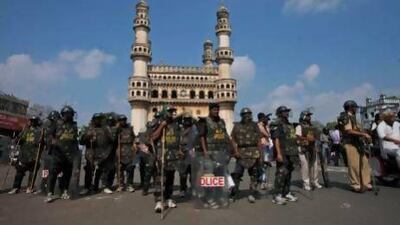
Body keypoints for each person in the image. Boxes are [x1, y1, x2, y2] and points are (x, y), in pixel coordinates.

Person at [196, 103, 232, 209]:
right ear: (210, 110)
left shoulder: (221, 122)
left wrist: (231, 149)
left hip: (221, 153)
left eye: (217, 109)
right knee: (209, 177)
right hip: (210, 153)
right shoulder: (205, 121)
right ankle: (209, 198)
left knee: (220, 177)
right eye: (214, 110)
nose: (216, 111)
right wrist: (205, 151)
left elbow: (226, 136)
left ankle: (218, 196)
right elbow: (202, 137)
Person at [46, 106, 80, 203]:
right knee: (53, 173)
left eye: (71, 114)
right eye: (67, 114)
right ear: (63, 114)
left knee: (67, 174)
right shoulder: (56, 123)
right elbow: (49, 134)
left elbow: (74, 139)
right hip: (57, 154)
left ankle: (65, 191)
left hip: (69, 155)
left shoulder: (74, 125)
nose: (69, 116)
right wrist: (51, 141)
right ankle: (50, 193)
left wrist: (76, 151)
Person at [151, 106, 181, 213]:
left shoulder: (176, 124)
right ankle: (159, 201)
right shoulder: (158, 123)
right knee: (160, 179)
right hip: (162, 154)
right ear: (165, 112)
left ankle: (168, 198)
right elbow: (152, 137)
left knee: (170, 178)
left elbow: (178, 139)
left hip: (173, 156)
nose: (172, 113)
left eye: (173, 111)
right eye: (170, 111)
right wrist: (161, 127)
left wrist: (180, 151)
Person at [337, 100, 372, 193]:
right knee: (354, 165)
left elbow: (357, 130)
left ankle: (366, 183)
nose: (356, 109)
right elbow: (349, 131)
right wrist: (364, 135)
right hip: (349, 143)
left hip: (357, 143)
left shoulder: (353, 117)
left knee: (365, 163)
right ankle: (355, 185)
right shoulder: (345, 117)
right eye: (355, 107)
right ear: (350, 107)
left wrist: (364, 135)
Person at [230, 107, 262, 203]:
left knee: (254, 174)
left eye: (249, 114)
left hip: (253, 151)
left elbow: (259, 140)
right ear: (242, 116)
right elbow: (232, 138)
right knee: (237, 174)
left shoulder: (254, 125)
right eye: (245, 114)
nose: (247, 116)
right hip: (241, 152)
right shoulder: (237, 126)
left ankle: (251, 193)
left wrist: (260, 153)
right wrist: (235, 150)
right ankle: (234, 193)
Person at [80, 113, 115, 195]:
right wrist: (87, 137)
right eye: (96, 119)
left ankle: (104, 186)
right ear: (93, 120)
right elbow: (81, 141)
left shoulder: (106, 129)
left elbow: (112, 140)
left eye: (99, 119)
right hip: (91, 154)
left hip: (103, 154)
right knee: (89, 171)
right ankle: (87, 187)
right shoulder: (88, 129)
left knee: (104, 171)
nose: (98, 120)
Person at [270, 106, 299, 205]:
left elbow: (292, 138)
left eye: (287, 111)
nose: (287, 113)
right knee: (281, 173)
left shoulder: (289, 124)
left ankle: (286, 193)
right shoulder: (276, 123)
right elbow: (276, 139)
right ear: (280, 113)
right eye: (285, 112)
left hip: (291, 153)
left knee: (288, 174)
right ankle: (277, 195)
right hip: (282, 152)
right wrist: (278, 154)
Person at [8, 116, 43, 194]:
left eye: (33, 121)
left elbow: (41, 144)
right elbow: (20, 141)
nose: (31, 122)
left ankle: (30, 187)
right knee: (19, 172)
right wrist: (17, 139)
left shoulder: (39, 132)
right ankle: (15, 187)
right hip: (23, 155)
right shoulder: (25, 131)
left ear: (36, 122)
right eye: (31, 120)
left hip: (33, 156)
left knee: (32, 174)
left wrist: (41, 142)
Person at [35, 111, 61, 195]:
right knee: (45, 171)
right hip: (48, 153)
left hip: (57, 153)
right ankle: (43, 187)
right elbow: (43, 141)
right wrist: (41, 141)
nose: (52, 121)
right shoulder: (46, 129)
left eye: (54, 119)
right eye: (51, 120)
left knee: (58, 172)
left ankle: (60, 188)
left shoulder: (61, 128)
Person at [296, 111, 322, 191]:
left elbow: (316, 136)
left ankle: (315, 181)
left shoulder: (312, 126)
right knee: (305, 166)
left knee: (315, 166)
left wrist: (315, 139)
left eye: (310, 116)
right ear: (303, 116)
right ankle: (306, 183)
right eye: (307, 116)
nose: (309, 117)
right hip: (303, 148)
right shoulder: (299, 126)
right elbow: (298, 136)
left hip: (312, 147)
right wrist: (307, 139)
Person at [178, 111, 197, 198]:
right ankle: (183, 189)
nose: (187, 121)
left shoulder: (194, 128)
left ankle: (193, 188)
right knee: (183, 173)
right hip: (183, 151)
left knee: (193, 172)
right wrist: (179, 150)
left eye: (189, 119)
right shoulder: (180, 129)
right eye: (186, 119)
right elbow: (176, 140)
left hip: (192, 151)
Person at [115, 114, 136, 192]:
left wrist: (134, 146)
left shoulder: (130, 128)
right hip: (120, 150)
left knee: (130, 169)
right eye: (121, 120)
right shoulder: (117, 129)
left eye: (124, 120)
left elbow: (134, 138)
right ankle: (120, 185)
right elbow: (113, 138)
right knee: (119, 169)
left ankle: (129, 185)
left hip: (129, 150)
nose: (123, 121)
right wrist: (116, 129)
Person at [257, 112, 273, 190]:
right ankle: (262, 181)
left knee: (265, 164)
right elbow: (267, 134)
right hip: (262, 146)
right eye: (265, 118)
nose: (266, 120)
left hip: (266, 145)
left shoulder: (265, 125)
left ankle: (263, 180)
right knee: (263, 164)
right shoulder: (260, 125)